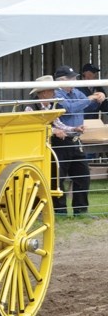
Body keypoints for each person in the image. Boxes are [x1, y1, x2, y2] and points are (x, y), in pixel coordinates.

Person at [50, 66, 106, 215]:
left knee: (82, 175)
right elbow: (69, 108)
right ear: (62, 81)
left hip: (76, 139)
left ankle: (81, 210)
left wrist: (99, 97)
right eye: (71, 78)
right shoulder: (56, 94)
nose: (75, 80)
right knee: (58, 177)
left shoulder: (76, 92)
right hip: (60, 140)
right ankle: (59, 211)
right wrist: (89, 99)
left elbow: (88, 106)